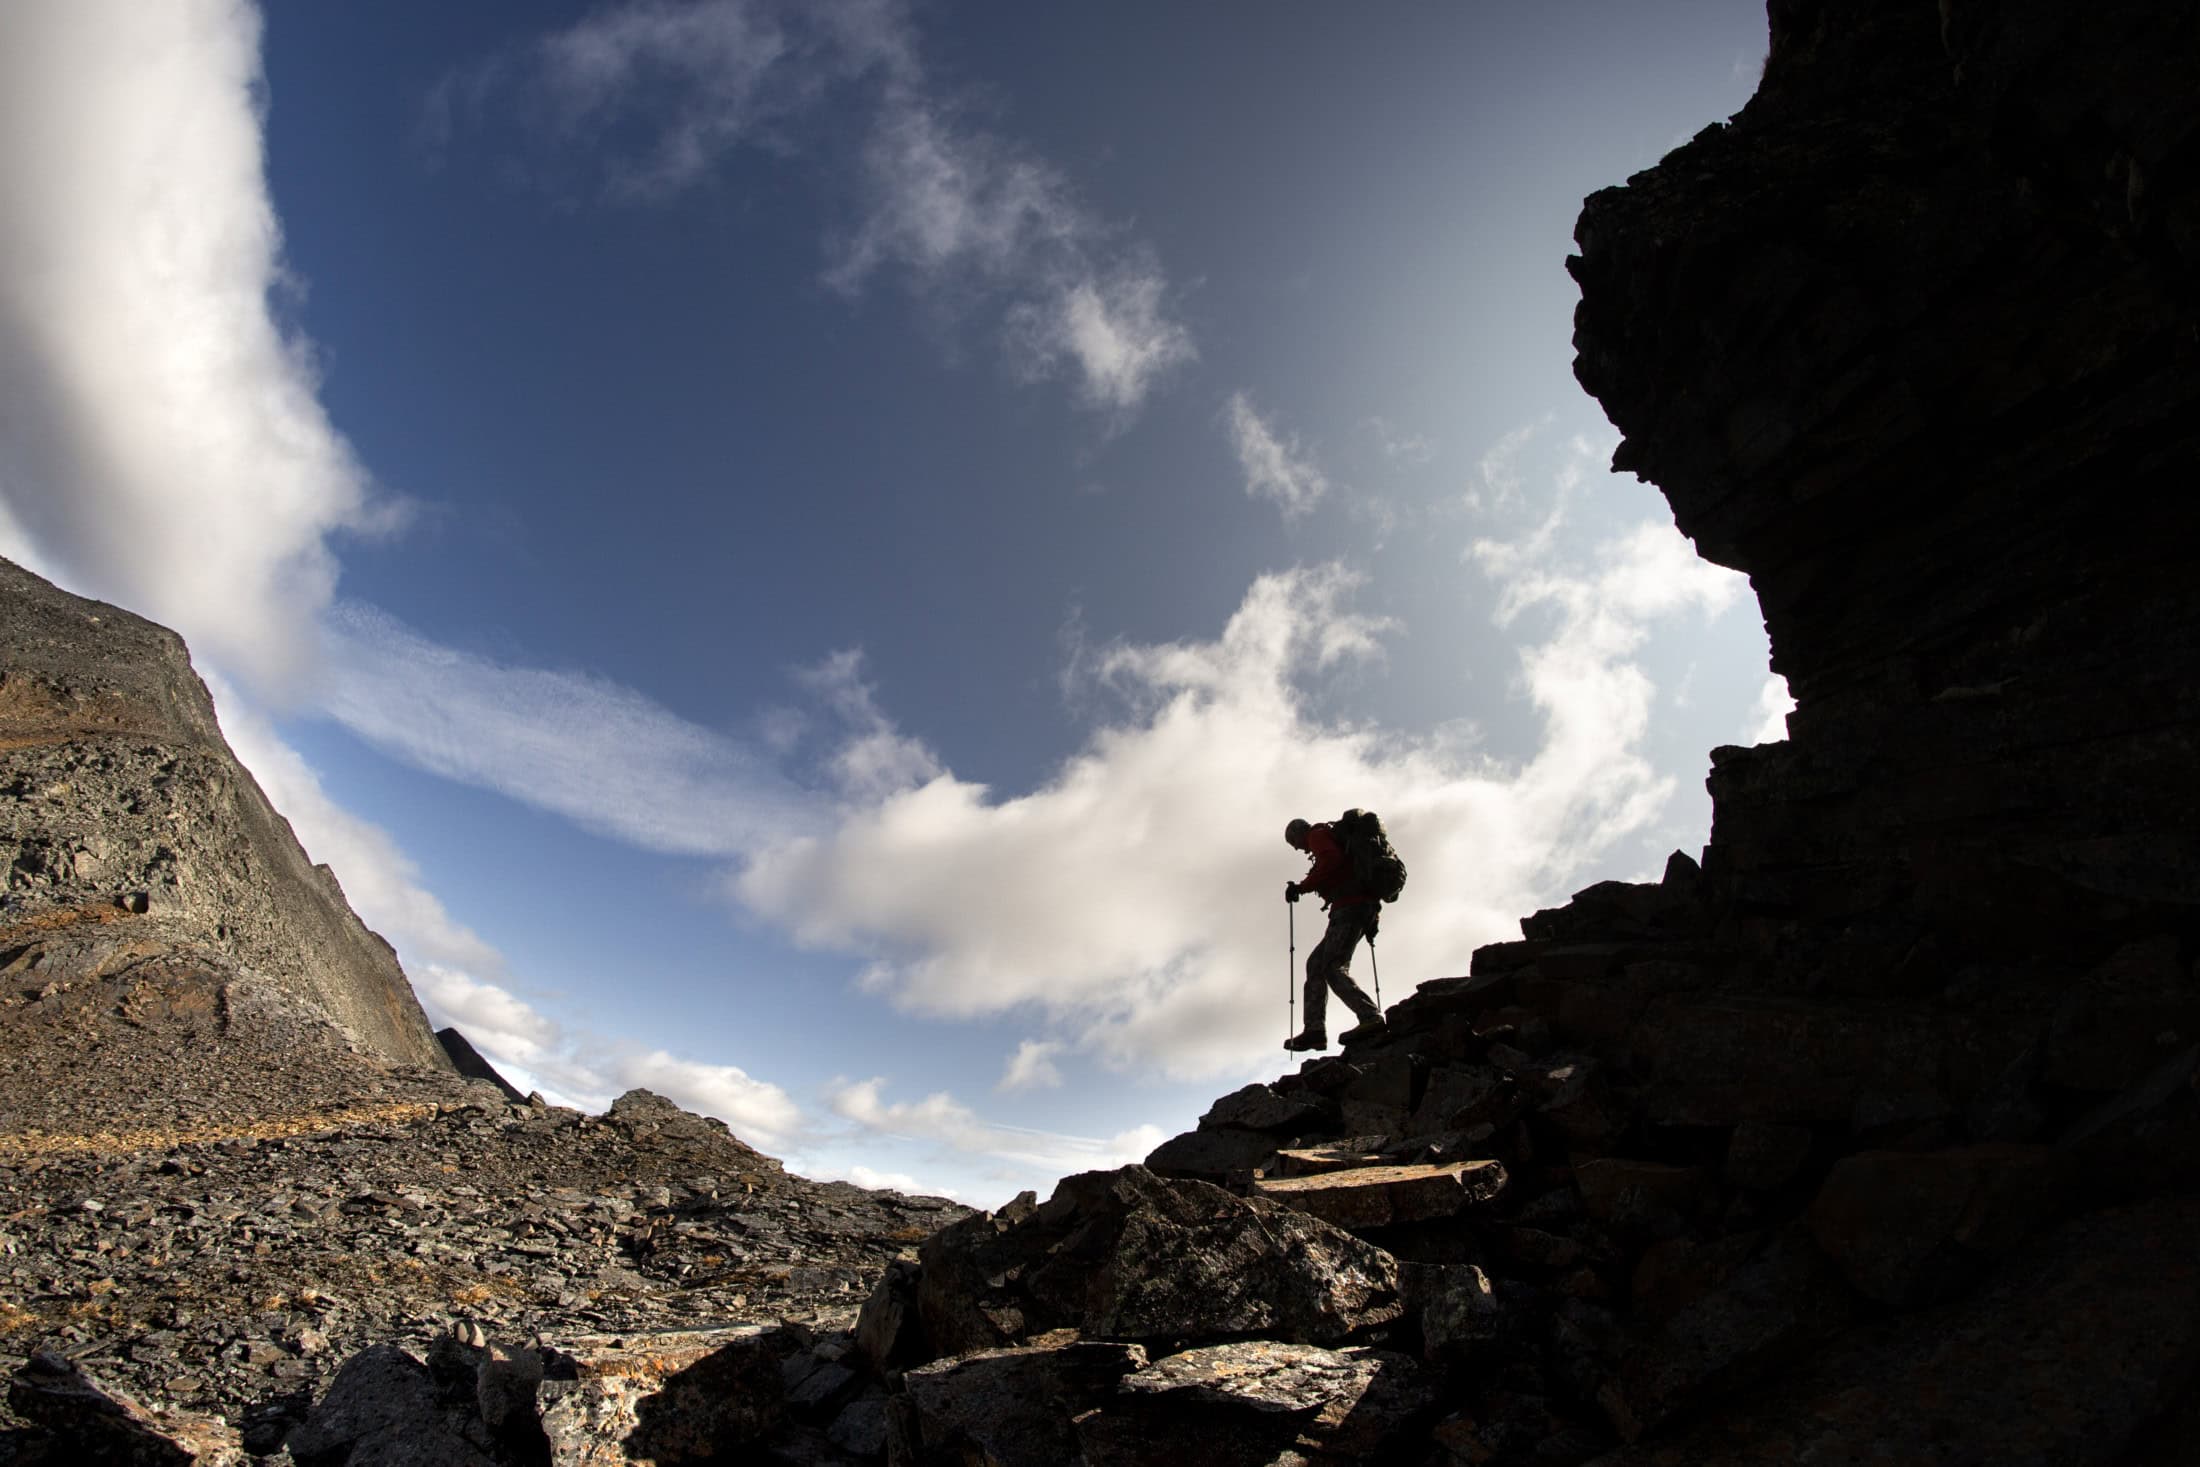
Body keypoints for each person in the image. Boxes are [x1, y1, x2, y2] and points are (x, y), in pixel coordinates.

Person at [1282, 817, 1388, 1052]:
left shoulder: (1317, 835)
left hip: (1349, 907)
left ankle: (1370, 1016)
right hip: (1358, 907)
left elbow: (1331, 861)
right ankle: (1314, 1031)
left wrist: (1302, 887)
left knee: (1331, 965)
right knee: (1316, 964)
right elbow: (1346, 870)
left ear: (1298, 833)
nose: (1299, 848)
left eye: (1294, 842)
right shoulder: (1331, 837)